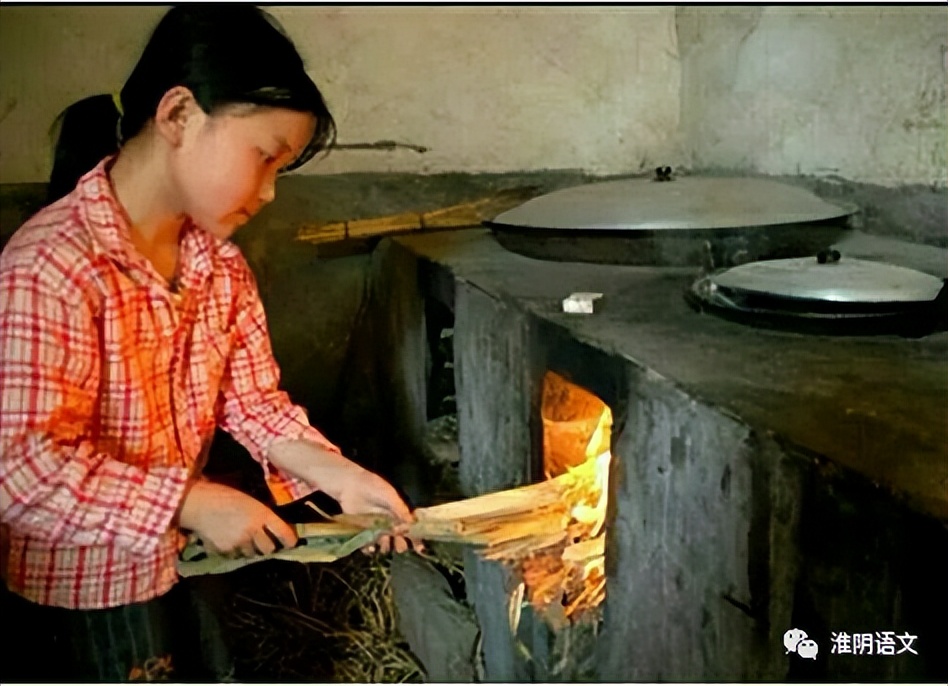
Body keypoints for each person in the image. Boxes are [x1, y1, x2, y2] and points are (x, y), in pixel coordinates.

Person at [0, 5, 417, 681]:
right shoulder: (52, 266)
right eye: (265, 156)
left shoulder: (218, 268)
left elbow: (253, 404)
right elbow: (20, 470)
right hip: (84, 594)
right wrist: (191, 501)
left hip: (183, 561)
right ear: (178, 115)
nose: (270, 192)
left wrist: (342, 477)